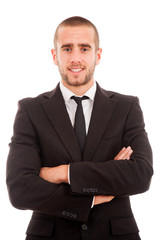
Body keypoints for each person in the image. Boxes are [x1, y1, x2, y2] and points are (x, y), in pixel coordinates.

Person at [6, 16, 153, 240]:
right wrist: (93, 194)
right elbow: (20, 189)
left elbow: (141, 174)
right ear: (55, 56)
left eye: (84, 49)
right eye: (67, 49)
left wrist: (64, 173)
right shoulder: (31, 110)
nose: (75, 58)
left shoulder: (126, 107)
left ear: (98, 55)